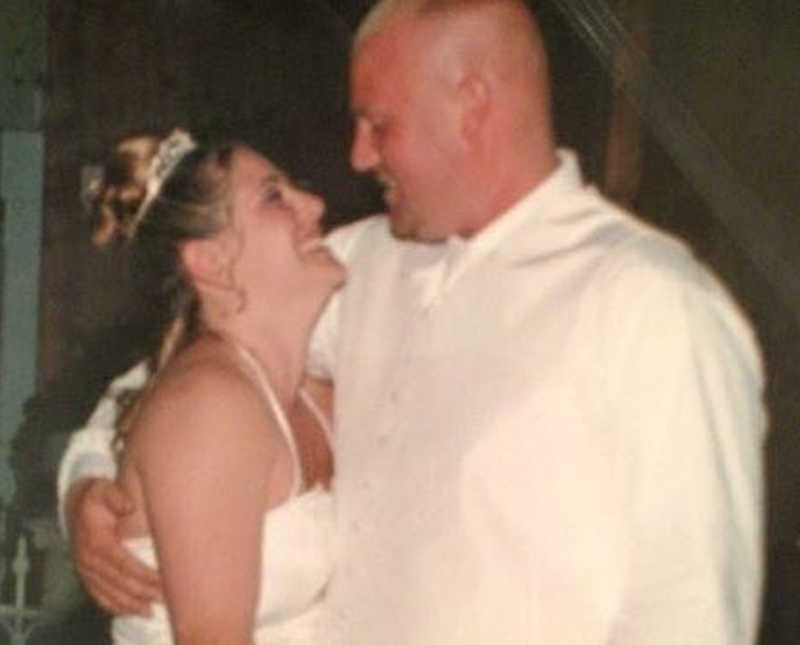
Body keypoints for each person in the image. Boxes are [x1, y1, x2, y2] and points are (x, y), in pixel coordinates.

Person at [59, 1, 767, 643]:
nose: (358, 157)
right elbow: (181, 370)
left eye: (380, 123)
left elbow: (692, 614)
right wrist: (86, 488)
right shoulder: (362, 264)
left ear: (472, 104)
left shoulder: (648, 304)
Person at [66, 128, 346, 644]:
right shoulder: (211, 406)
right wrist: (80, 484)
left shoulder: (312, 394)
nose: (315, 204)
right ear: (210, 262)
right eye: (273, 196)